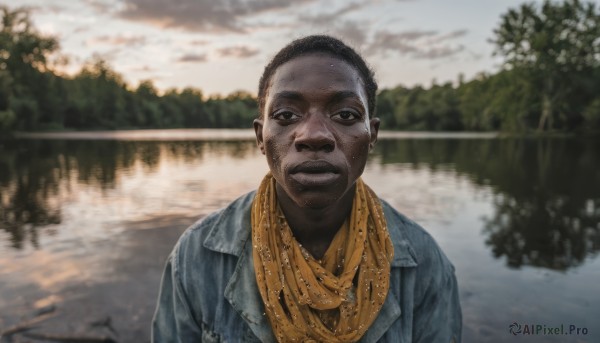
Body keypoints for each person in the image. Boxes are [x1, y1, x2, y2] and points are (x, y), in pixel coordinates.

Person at [152, 35, 462, 343]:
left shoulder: (426, 266)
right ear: (261, 137)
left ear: (372, 135)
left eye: (345, 115)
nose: (314, 135)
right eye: (286, 115)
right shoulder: (195, 258)